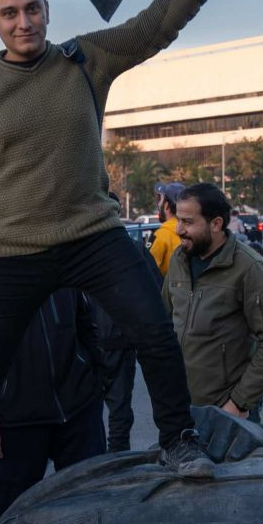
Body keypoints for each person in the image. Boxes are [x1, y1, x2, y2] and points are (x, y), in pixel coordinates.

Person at [0, 0, 250, 511]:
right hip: (15, 246)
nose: (23, 21)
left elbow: (156, 24)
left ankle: (178, 440)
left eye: (32, 8)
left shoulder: (84, 61)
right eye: (9, 13)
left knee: (153, 330)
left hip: (93, 235)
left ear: (47, 9)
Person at [163, 183, 263, 421]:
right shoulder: (179, 260)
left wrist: (239, 402)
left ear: (216, 224)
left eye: (188, 222)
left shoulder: (250, 268)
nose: (179, 229)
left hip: (227, 410)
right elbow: (165, 320)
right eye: (179, 220)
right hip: (181, 404)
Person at [0, 286, 106, 523]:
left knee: (91, 510)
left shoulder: (66, 266)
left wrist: (96, 378)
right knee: (11, 522)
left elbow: (86, 321)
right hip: (16, 419)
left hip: (78, 409)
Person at [97, 192, 162, 453]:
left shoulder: (76, 250)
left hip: (96, 341)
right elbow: (155, 292)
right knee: (119, 406)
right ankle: (117, 455)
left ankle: (102, 455)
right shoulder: (133, 249)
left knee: (91, 408)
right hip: (117, 339)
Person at [149, 182, 184, 277]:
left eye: (161, 200)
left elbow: (147, 271)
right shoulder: (193, 231)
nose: (158, 204)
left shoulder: (161, 235)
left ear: (167, 206)